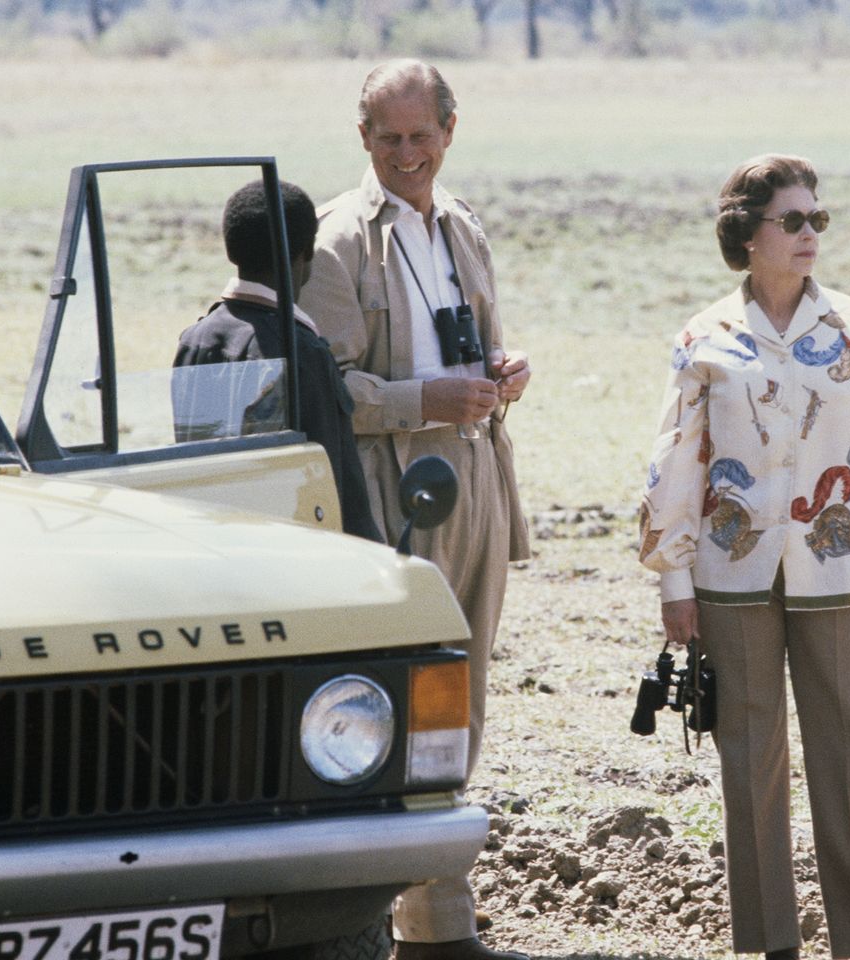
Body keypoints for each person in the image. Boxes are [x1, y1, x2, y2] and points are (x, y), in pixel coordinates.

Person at [638, 154, 850, 960]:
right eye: (794, 220)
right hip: (728, 576)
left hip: (837, 573)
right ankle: (768, 946)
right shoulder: (703, 340)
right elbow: (678, 462)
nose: (811, 234)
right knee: (749, 763)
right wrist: (675, 580)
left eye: (819, 219)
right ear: (748, 234)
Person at [298, 59, 530, 960]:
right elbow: (327, 389)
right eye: (387, 139)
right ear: (362, 139)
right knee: (414, 704)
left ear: (449, 132)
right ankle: (421, 930)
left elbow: (479, 346)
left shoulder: (461, 222)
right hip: (398, 488)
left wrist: (503, 376)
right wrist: (424, 402)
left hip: (475, 474)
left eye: (420, 137)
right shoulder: (338, 240)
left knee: (464, 701)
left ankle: (434, 923)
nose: (405, 154)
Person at [173, 180, 382, 543]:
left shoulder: (195, 339)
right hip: (290, 551)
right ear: (307, 254)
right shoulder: (302, 351)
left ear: (230, 251)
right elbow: (332, 483)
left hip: (214, 544)